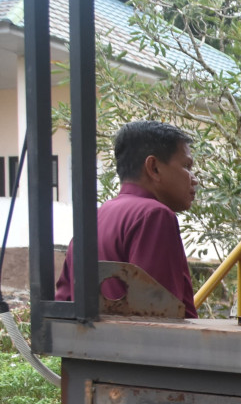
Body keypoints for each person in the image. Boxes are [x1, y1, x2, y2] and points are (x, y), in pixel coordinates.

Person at [55, 120, 199, 317]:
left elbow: (64, 301)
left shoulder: (95, 218)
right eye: (187, 166)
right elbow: (159, 315)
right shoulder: (155, 215)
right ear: (154, 167)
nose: (194, 178)